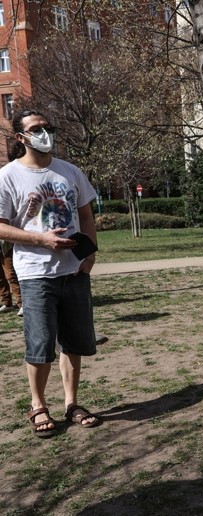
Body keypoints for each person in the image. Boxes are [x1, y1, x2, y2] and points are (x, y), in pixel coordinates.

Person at [0, 109, 101, 437]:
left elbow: (86, 216)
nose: (44, 133)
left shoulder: (69, 171)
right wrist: (41, 239)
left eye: (47, 127)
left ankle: (72, 403)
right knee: (40, 344)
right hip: (35, 273)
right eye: (36, 128)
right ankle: (38, 405)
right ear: (21, 137)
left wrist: (89, 256)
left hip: (74, 271)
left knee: (74, 343)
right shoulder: (8, 176)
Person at [0, 239, 22, 315]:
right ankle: (7, 303)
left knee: (11, 276)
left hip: (5, 246)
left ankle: (22, 304)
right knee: (0, 278)